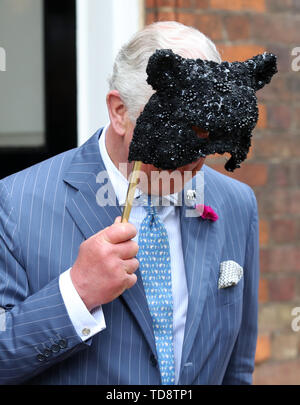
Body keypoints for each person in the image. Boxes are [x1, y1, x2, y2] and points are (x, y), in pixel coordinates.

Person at [0, 21, 259, 385]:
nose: (199, 157)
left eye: (207, 132)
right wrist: (76, 293)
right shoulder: (16, 203)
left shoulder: (236, 204)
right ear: (120, 111)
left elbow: (238, 367)